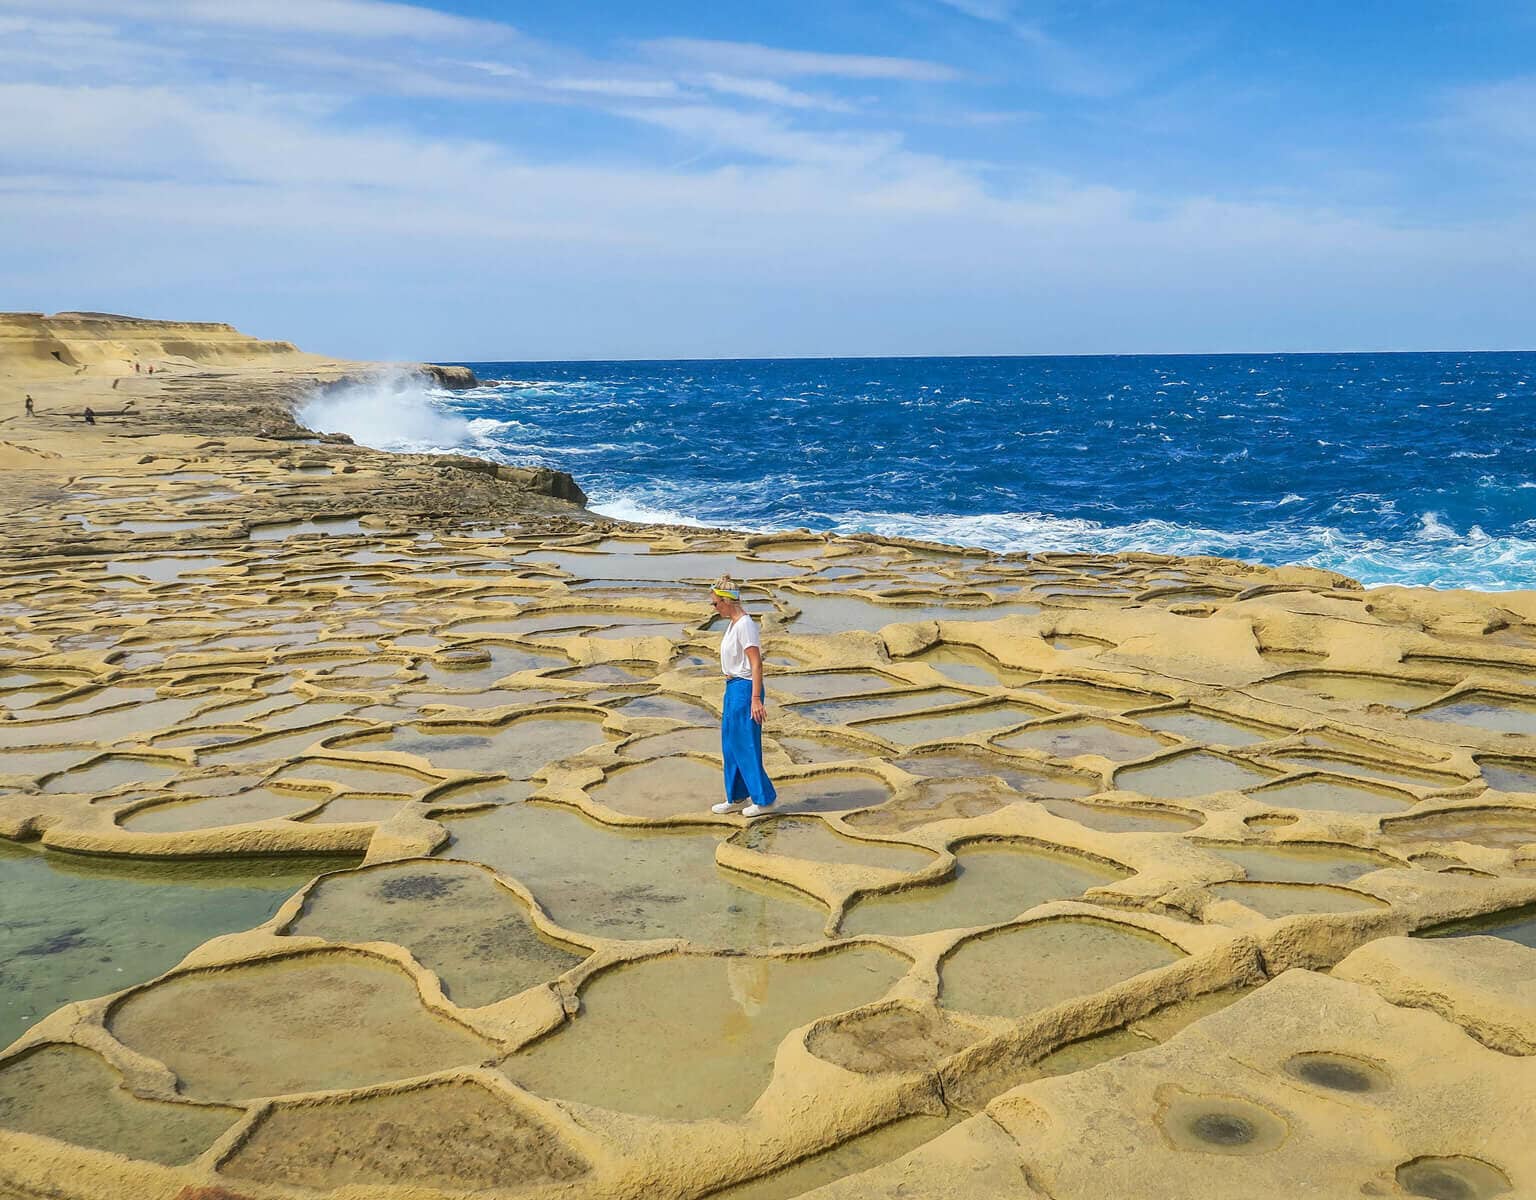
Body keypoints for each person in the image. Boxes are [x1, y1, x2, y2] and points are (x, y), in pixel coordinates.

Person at [709, 574, 777, 817]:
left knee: (746, 743)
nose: (713, 608)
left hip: (745, 688)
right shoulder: (733, 624)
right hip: (732, 687)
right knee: (730, 743)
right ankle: (737, 797)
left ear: (726, 601)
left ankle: (764, 800)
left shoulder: (745, 625)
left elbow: (756, 663)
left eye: (715, 603)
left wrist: (755, 699)